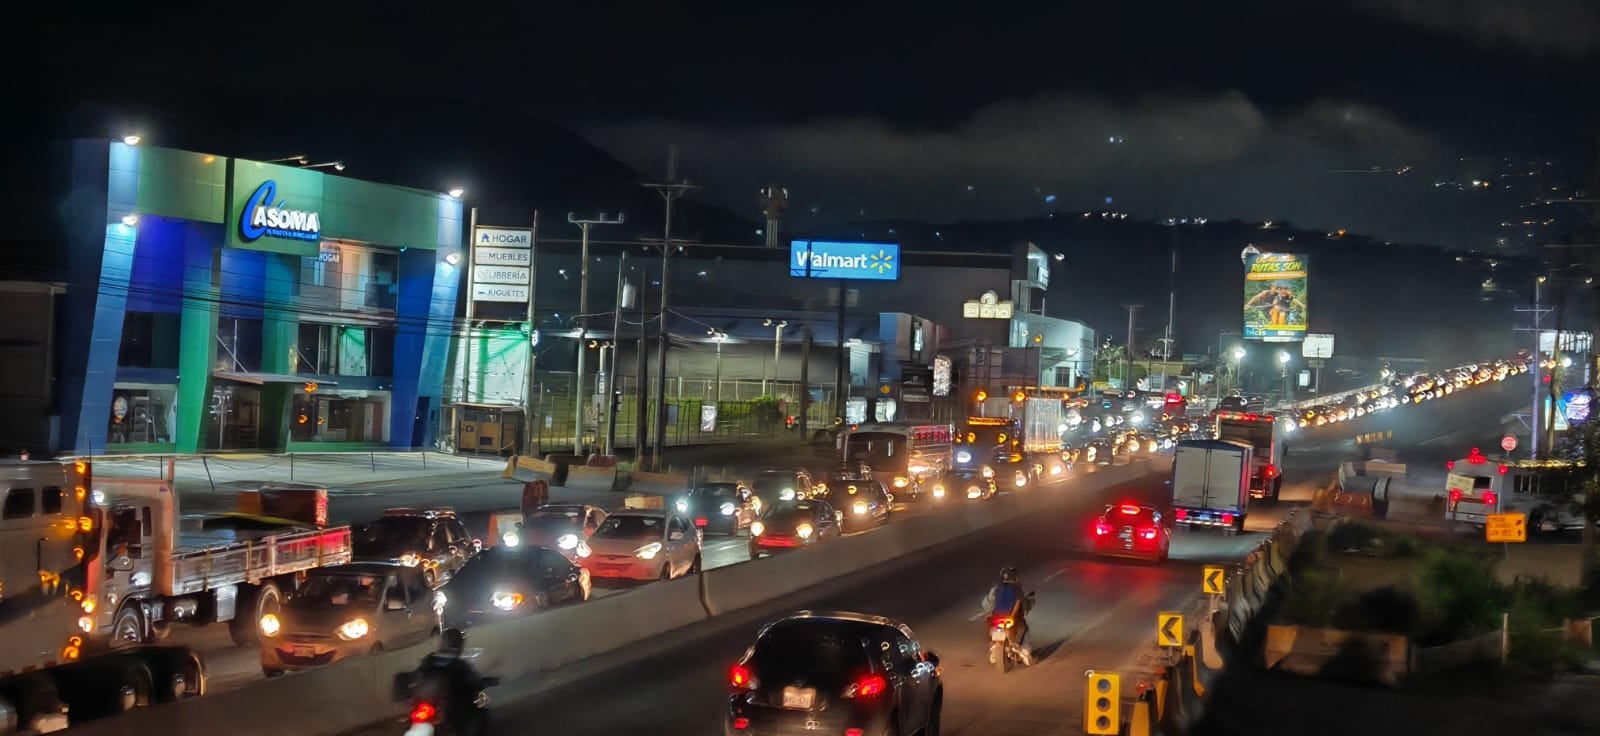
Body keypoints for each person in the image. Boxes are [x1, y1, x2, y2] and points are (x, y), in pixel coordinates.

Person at [412, 628, 490, 735]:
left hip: (433, 708)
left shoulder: (429, 660)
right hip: (448, 712)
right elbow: (475, 681)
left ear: (443, 642)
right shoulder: (460, 665)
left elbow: (416, 677)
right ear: (459, 645)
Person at [983, 566, 1033, 665]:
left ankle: (993, 645)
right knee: (1024, 627)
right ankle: (1023, 649)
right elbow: (1019, 602)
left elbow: (986, 604)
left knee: (989, 622)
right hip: (1010, 618)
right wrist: (1012, 616)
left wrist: (989, 614)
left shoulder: (996, 588)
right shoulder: (1017, 588)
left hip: (996, 618)